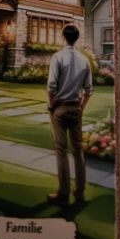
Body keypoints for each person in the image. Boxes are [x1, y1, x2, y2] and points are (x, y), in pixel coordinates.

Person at [46, 23, 93, 207]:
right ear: (77, 38)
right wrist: (81, 108)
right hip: (76, 108)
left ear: (63, 37)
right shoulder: (84, 60)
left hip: (60, 109)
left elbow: (51, 87)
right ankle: (80, 193)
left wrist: (51, 106)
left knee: (61, 152)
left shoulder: (57, 57)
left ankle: (63, 194)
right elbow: (88, 90)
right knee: (78, 151)